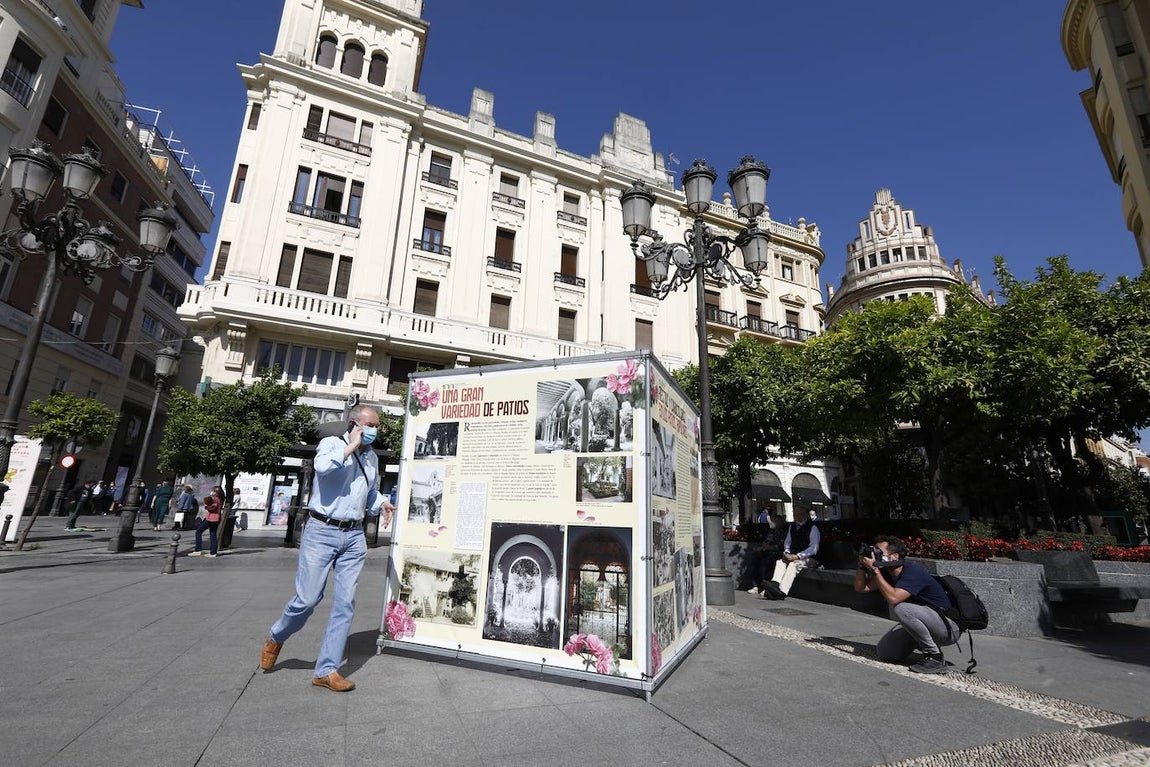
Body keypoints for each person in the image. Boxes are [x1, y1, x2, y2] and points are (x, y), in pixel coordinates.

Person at [259, 404, 396, 692]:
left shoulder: (371, 459)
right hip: (322, 531)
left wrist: (381, 503)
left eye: (377, 426)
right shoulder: (331, 444)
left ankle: (326, 670)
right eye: (369, 425)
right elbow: (323, 468)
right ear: (354, 424)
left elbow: (368, 492)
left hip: (354, 536)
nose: (375, 431)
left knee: (345, 604)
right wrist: (352, 447)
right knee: (308, 599)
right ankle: (276, 635)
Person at [853, 535, 959, 674]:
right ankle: (923, 644)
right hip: (924, 621)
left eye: (879, 552)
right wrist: (862, 566)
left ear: (894, 556)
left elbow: (894, 598)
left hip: (947, 627)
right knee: (885, 653)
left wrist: (875, 570)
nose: (875, 555)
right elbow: (861, 588)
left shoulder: (912, 572)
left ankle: (935, 657)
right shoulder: (887, 573)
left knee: (902, 608)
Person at [760, 509, 820, 600]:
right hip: (793, 555)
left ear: (806, 515)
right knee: (780, 562)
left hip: (809, 558)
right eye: (796, 515)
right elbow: (787, 543)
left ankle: (782, 591)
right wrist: (787, 553)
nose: (798, 517)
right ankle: (775, 584)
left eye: (801, 514)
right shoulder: (792, 527)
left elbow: (813, 549)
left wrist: (798, 556)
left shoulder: (813, 527)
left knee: (793, 565)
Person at [190, 487, 225, 557]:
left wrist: (206, 506)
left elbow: (213, 508)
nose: (212, 492)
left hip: (211, 519)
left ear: (217, 493)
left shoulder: (215, 499)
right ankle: (213, 552)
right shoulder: (220, 499)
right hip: (216, 518)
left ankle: (198, 550)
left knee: (198, 531)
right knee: (213, 534)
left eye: (214, 491)